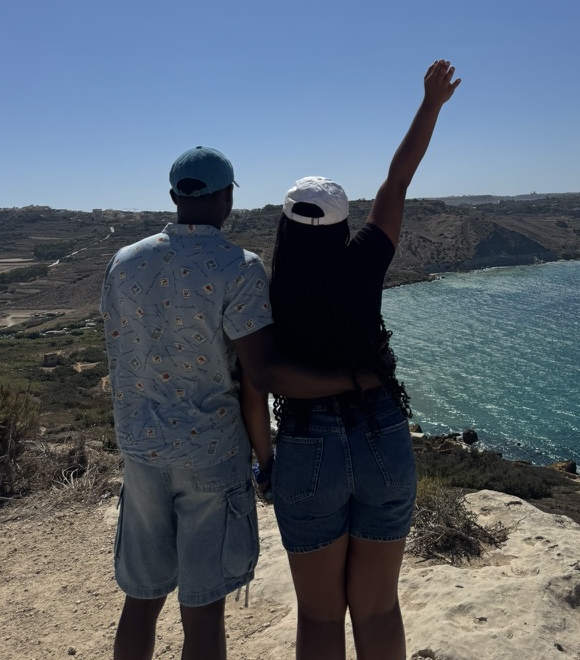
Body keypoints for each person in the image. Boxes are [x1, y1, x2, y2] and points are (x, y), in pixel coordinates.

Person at [101, 146, 370, 660]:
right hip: (210, 454)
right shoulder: (238, 268)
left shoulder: (124, 262)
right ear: (226, 197)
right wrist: (352, 379)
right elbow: (261, 374)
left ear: (174, 195)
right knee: (202, 613)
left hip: (141, 450)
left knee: (140, 600)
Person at [269, 59, 461, 660]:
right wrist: (430, 105)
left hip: (305, 444)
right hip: (381, 429)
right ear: (342, 224)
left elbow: (262, 374)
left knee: (321, 619)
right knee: (378, 609)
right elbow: (395, 183)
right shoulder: (364, 262)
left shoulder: (266, 289)